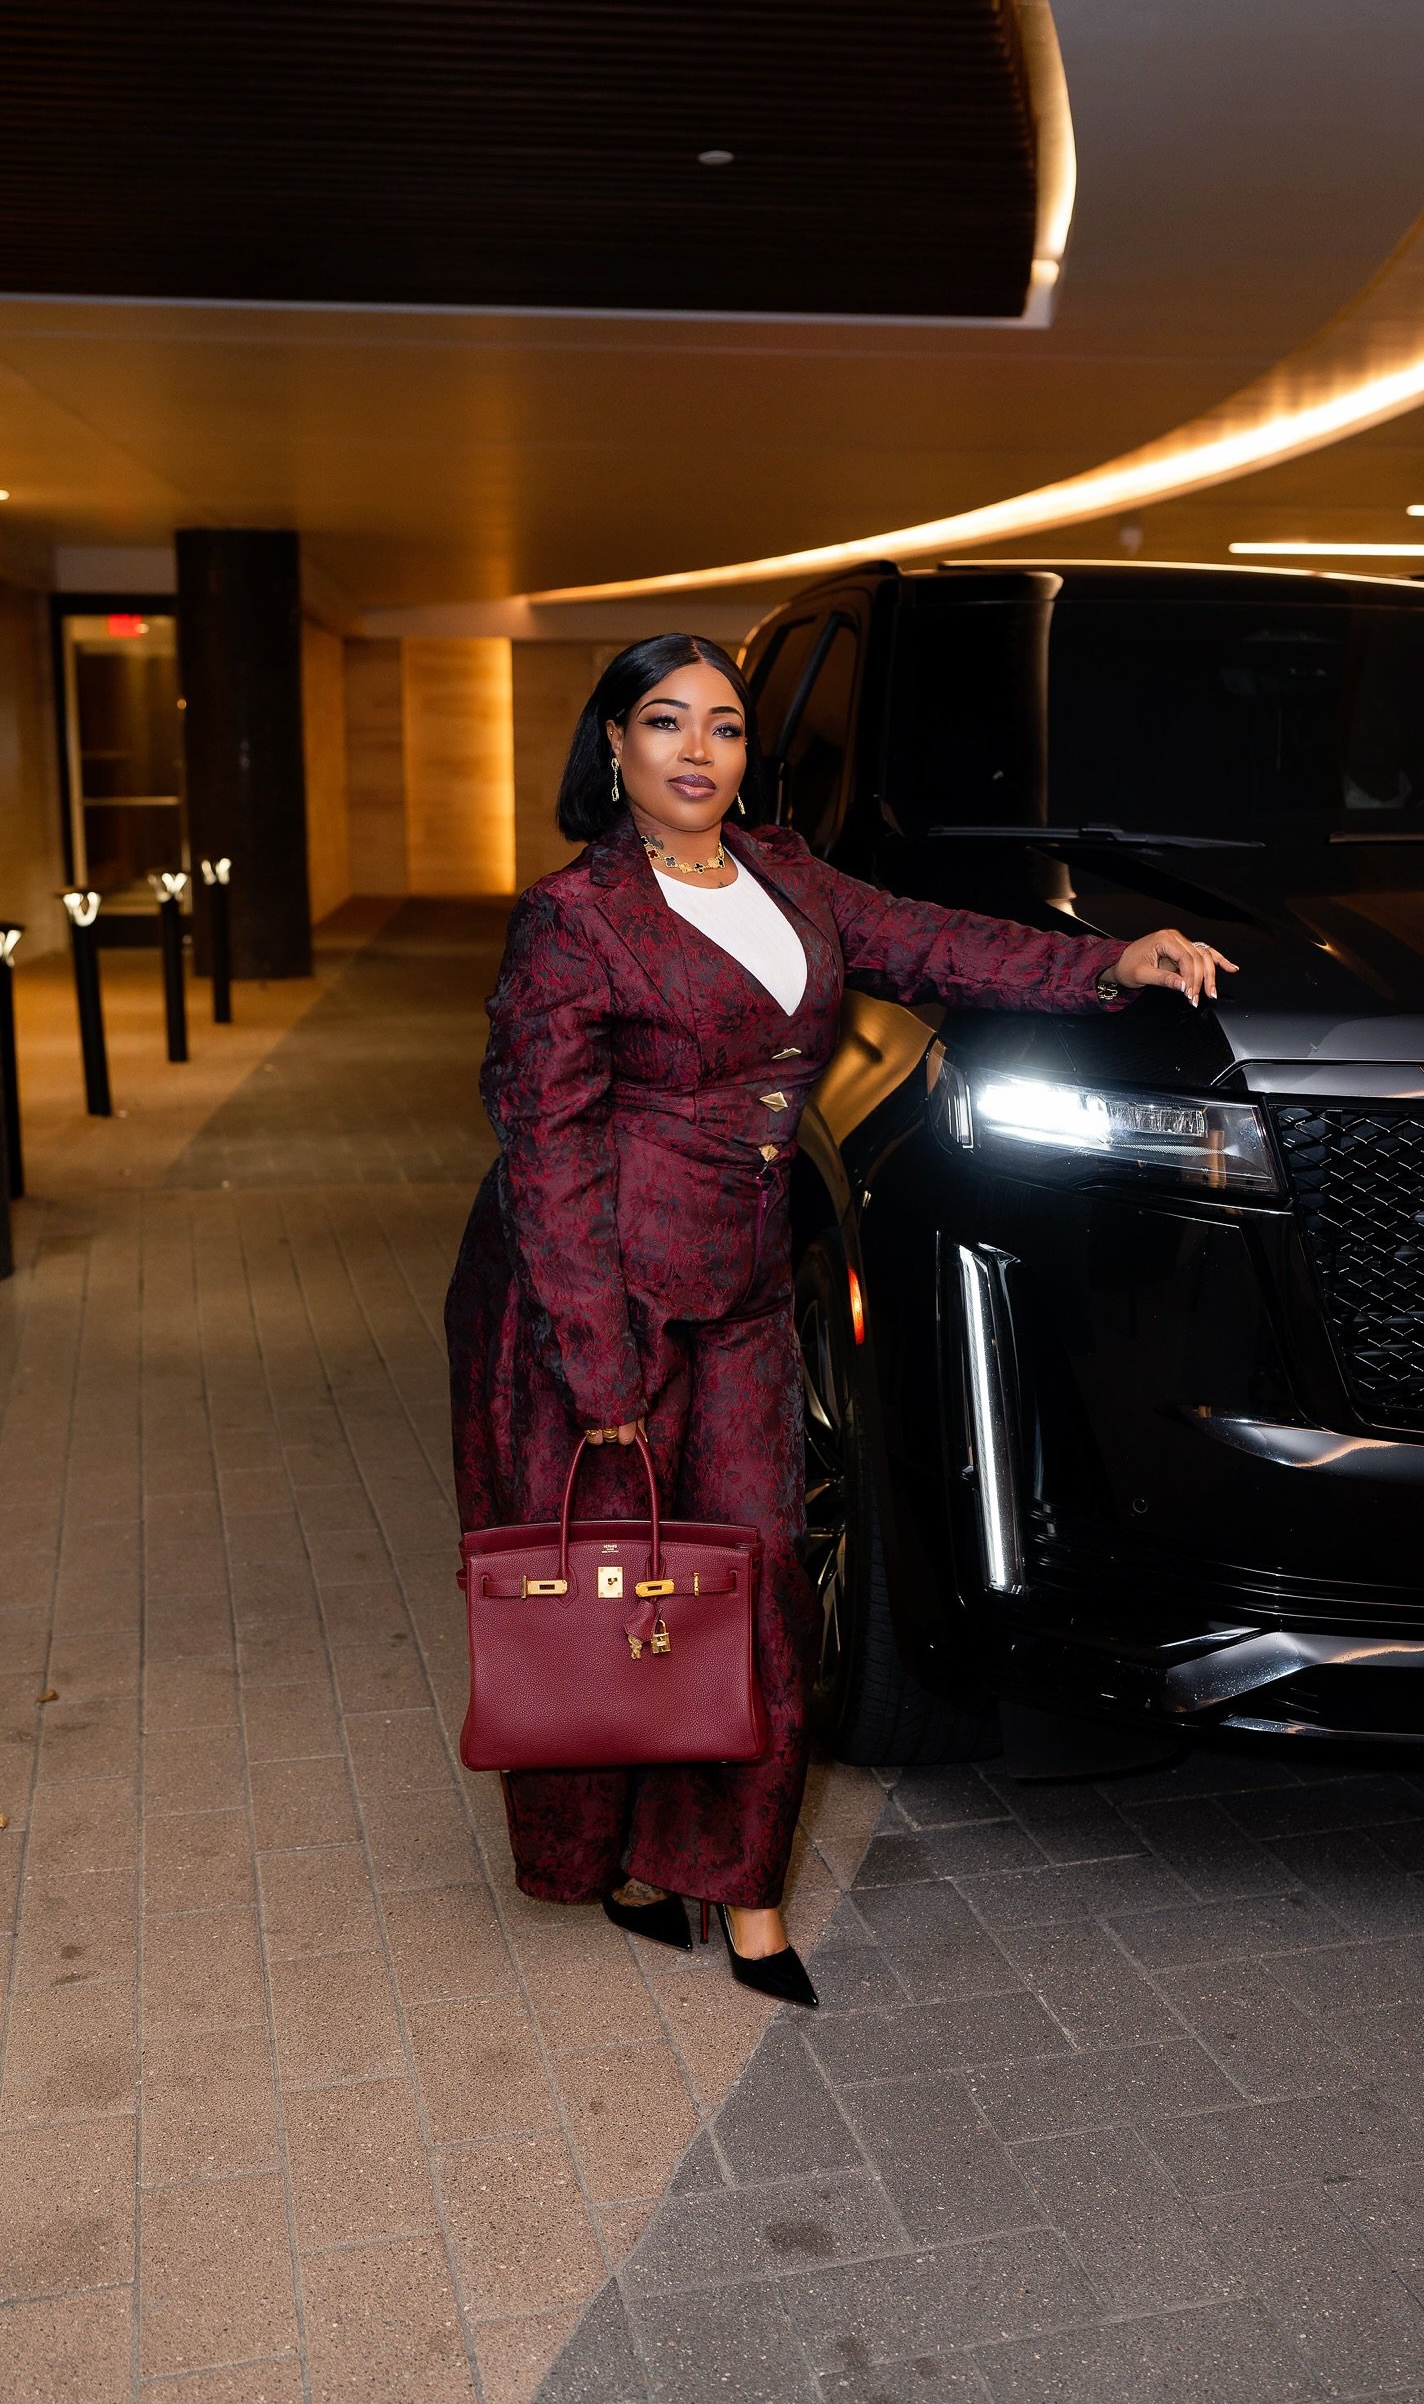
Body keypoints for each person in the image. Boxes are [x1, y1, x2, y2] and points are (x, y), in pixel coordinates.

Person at [444, 632, 1237, 2007]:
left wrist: (1118, 963)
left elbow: (941, 942)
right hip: (595, 1302)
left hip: (747, 1289)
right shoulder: (574, 918)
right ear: (614, 749)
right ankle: (617, 1858)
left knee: (750, 1584)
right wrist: (596, 1365)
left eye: (727, 726)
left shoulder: (788, 875)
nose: (700, 751)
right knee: (612, 1588)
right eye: (666, 723)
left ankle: (744, 1893)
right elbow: (545, 1148)